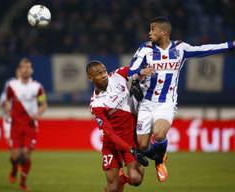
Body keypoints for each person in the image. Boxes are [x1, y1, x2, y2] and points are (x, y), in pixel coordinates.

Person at [128, 16, 235, 183]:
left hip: (166, 103)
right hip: (146, 103)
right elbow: (130, 71)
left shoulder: (180, 48)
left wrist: (231, 44)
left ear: (164, 32)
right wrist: (141, 73)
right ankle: (159, 157)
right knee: (142, 145)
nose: (149, 33)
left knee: (159, 132)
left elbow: (204, 49)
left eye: (153, 30)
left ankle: (159, 160)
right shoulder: (145, 49)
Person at [87, 60, 148, 192]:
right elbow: (110, 134)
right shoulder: (96, 104)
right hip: (112, 142)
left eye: (104, 71)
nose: (104, 75)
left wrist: (139, 79)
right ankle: (117, 182)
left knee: (135, 179)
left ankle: (123, 179)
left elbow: (137, 71)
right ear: (90, 78)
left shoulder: (118, 75)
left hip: (130, 137)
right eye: (98, 73)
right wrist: (131, 150)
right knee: (113, 189)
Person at [4, 58, 47, 191]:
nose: (26, 69)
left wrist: (38, 113)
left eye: (28, 67)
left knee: (26, 155)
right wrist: (8, 112)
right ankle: (13, 169)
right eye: (23, 67)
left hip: (30, 125)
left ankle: (23, 182)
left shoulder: (37, 87)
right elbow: (6, 101)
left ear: (31, 70)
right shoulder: (12, 85)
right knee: (15, 156)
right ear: (20, 69)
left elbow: (43, 104)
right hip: (16, 125)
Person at [0, 67, 20, 142]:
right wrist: (7, 111)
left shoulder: (30, 85)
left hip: (21, 118)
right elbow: (1, 102)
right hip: (9, 117)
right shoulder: (10, 84)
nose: (20, 73)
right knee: (10, 140)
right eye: (18, 71)